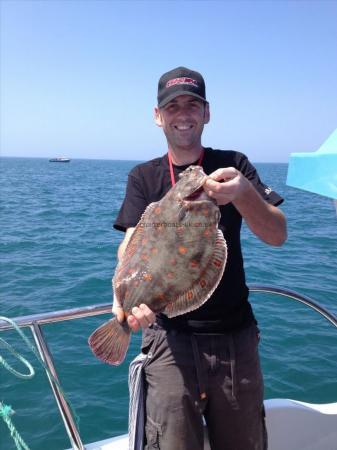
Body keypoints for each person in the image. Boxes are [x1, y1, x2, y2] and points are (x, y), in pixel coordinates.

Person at [113, 67, 287, 450]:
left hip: (236, 341)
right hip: (168, 343)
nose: (183, 114)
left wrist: (244, 195)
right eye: (172, 107)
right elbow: (131, 244)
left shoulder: (234, 165)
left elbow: (277, 235)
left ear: (206, 112)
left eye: (192, 105)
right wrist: (122, 299)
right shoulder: (144, 177)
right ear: (158, 116)